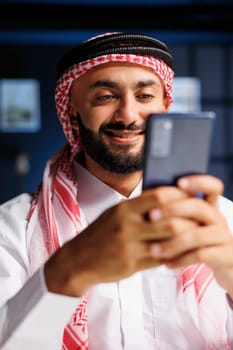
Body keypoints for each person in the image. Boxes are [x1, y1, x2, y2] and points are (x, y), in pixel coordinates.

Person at [1, 32, 233, 350]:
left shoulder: (224, 222)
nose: (128, 115)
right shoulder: (12, 228)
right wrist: (68, 271)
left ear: (166, 105)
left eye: (145, 96)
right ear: (71, 110)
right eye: (105, 97)